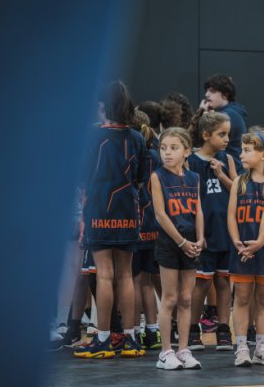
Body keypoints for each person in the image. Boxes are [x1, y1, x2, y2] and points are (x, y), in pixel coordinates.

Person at [74, 81, 147, 360]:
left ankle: (102, 339)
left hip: (100, 209)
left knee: (104, 275)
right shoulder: (138, 137)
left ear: (102, 105)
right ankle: (129, 339)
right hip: (128, 209)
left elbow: (81, 177)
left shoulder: (93, 136)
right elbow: (140, 178)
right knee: (127, 275)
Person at [228, 129, 264, 366]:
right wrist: (236, 241)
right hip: (242, 248)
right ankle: (241, 347)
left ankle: (261, 347)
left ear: (263, 155)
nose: (242, 154)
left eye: (247, 150)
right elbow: (231, 215)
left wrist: (261, 241)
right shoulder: (239, 182)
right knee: (241, 298)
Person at [150, 127, 205, 370]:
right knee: (169, 298)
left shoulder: (194, 178)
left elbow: (198, 210)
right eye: (163, 148)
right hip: (170, 244)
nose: (167, 153)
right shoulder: (157, 176)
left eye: (173, 148)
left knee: (186, 298)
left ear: (186, 151)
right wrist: (182, 243)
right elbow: (160, 215)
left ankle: (183, 349)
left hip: (191, 243)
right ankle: (165, 352)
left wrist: (200, 239)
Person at [187, 112, 237, 352]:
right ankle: (192, 329)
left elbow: (239, 191)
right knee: (202, 284)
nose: (227, 138)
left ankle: (224, 329)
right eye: (221, 134)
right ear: (206, 135)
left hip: (225, 231)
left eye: (228, 134)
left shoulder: (227, 159)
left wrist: (222, 174)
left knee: (224, 281)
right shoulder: (192, 161)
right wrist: (198, 234)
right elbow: (190, 200)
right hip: (204, 233)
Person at [132, 110, 163, 351]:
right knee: (147, 281)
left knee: (131, 279)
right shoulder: (155, 153)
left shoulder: (134, 149)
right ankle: (152, 332)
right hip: (154, 222)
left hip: (137, 220)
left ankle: (131, 332)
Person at [202, 74, 248, 162]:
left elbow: (204, 141)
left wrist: (202, 114)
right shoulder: (231, 112)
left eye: (212, 91)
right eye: (207, 91)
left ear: (225, 94)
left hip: (229, 168)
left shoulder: (229, 115)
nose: (206, 94)